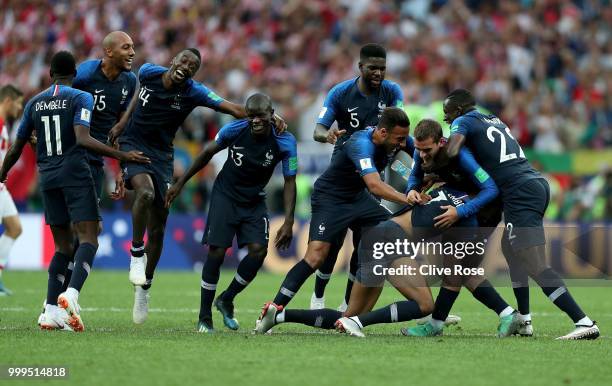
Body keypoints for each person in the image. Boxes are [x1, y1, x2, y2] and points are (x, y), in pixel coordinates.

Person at [113, 48, 286, 324]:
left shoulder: (195, 92)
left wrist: (265, 116)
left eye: (193, 66)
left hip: (163, 156)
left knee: (158, 227)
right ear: (173, 60)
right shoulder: (147, 72)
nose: (186, 66)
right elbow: (138, 92)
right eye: (183, 60)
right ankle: (136, 254)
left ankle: (145, 287)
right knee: (144, 193)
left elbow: (231, 107)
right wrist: (123, 122)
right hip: (133, 145)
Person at [0, 51, 148, 331]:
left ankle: (50, 311)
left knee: (62, 246)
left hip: (48, 177)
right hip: (75, 173)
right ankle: (71, 295)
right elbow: (82, 138)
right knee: (90, 238)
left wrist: (1, 174)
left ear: (49, 74)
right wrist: (123, 158)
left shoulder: (34, 102)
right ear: (75, 75)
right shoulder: (82, 97)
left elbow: (17, 147)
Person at [444, 88, 599, 340]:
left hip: (520, 191)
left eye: (447, 115)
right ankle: (525, 321)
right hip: (534, 183)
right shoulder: (493, 119)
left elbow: (452, 151)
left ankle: (583, 322)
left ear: (459, 111)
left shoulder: (463, 121)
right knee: (510, 249)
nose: (446, 120)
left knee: (535, 264)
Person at [255, 107, 413, 330]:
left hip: (358, 198)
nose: (403, 144)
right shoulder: (361, 143)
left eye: (405, 139)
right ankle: (271, 311)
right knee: (316, 256)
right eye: (400, 139)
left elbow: (423, 155)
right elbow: (375, 186)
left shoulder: (399, 138)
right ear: (384, 133)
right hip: (331, 198)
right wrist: (409, 199)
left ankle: (353, 309)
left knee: (390, 230)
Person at [165, 93, 297, 332]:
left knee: (258, 252)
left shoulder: (285, 141)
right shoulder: (235, 129)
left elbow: (290, 180)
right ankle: (204, 316)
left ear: (271, 115)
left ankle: (226, 298)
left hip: (254, 200)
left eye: (261, 116)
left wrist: (289, 220)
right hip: (225, 196)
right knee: (216, 252)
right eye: (251, 116)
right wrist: (180, 183)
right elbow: (206, 154)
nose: (255, 121)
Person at [310, 43, 409, 311]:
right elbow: (318, 129)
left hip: (374, 172)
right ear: (361, 67)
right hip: (344, 171)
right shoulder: (341, 93)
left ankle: (346, 303)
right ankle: (318, 296)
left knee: (365, 240)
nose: (378, 73)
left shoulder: (392, 92)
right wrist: (327, 135)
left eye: (382, 68)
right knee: (334, 240)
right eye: (373, 68)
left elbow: (399, 128)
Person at [402, 119, 521, 337]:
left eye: (427, 150)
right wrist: (411, 190)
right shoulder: (422, 152)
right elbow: (414, 176)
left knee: (458, 270)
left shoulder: (460, 155)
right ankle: (505, 314)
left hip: (482, 211)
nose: (422, 155)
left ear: (441, 142)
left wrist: (461, 211)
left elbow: (491, 189)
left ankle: (437, 325)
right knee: (459, 271)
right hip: (456, 207)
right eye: (418, 150)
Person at [53, 31, 137, 295]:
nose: (133, 52)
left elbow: (118, 130)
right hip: (73, 155)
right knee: (86, 230)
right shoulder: (86, 75)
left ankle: (58, 297)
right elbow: (54, 101)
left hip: (97, 160)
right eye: (126, 47)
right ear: (109, 52)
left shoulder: (129, 81)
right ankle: (66, 296)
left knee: (88, 230)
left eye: (133, 47)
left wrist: (122, 171)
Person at [0, 85, 24, 295]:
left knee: (15, 228)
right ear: (8, 100)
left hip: (1, 187)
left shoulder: (4, 124)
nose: (19, 108)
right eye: (18, 103)